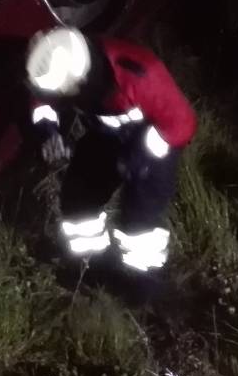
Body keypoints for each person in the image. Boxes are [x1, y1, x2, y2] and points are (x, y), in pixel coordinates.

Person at [26, 27, 196, 277]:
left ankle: (143, 284)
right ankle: (93, 266)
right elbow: (43, 100)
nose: (58, 96)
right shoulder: (63, 65)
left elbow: (182, 122)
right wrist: (48, 131)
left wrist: (141, 154)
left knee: (139, 224)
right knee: (78, 200)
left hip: (152, 147)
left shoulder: (139, 73)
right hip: (104, 138)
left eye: (62, 90)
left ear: (80, 79)